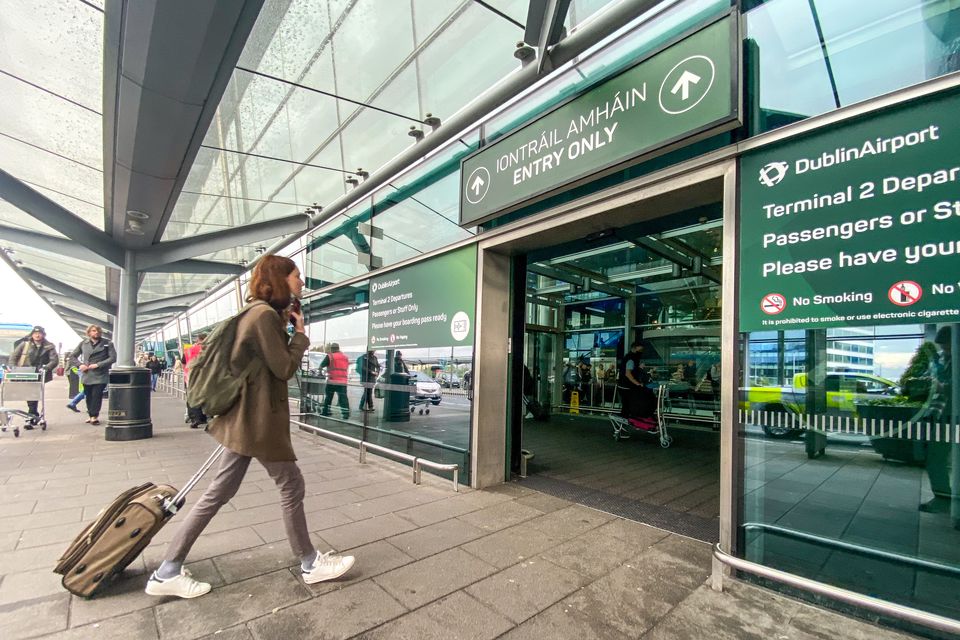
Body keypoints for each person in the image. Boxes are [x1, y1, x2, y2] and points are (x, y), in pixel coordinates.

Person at [145, 255, 355, 599]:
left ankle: (168, 570)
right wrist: (299, 334)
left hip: (244, 422)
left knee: (219, 492)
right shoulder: (262, 316)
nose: (301, 282)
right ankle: (310, 562)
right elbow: (283, 367)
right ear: (280, 278)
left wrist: (287, 326)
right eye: (296, 276)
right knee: (291, 485)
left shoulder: (258, 313)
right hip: (256, 422)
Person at [916, 326, 957, 526]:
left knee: (938, 458)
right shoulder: (940, 358)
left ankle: (947, 501)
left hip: (953, 415)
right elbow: (927, 378)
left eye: (947, 345)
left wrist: (944, 387)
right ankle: (942, 499)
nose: (945, 349)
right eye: (942, 346)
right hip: (940, 415)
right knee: (935, 458)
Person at [7, 325, 58, 427]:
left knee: (32, 395)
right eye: (35, 333)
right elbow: (14, 356)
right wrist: (12, 368)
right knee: (30, 395)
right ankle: (33, 415)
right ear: (32, 334)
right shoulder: (25, 344)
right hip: (26, 372)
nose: (37, 335)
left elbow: (54, 360)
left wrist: (46, 368)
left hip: (40, 373)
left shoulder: (49, 346)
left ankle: (31, 417)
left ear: (43, 335)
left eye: (39, 333)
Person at [69, 325, 116, 426]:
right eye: (94, 331)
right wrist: (80, 365)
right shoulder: (83, 343)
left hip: (100, 374)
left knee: (97, 395)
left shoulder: (107, 343)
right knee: (88, 396)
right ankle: (91, 415)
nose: (96, 333)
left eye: (98, 331)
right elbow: (72, 356)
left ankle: (94, 416)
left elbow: (113, 358)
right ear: (89, 333)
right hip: (87, 374)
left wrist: (98, 365)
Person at [618, 341, 654, 420]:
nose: (641, 352)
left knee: (626, 406)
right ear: (634, 348)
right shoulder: (631, 359)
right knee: (627, 405)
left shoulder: (630, 357)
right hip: (626, 386)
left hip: (624, 385)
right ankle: (623, 421)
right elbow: (628, 374)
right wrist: (637, 383)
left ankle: (624, 422)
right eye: (640, 350)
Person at [320, 343, 350, 419]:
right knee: (343, 398)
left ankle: (326, 412)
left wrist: (321, 372)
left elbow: (321, 366)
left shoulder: (330, 356)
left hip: (332, 381)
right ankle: (346, 414)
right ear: (338, 348)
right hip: (343, 382)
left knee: (329, 397)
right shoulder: (345, 357)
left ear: (332, 349)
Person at [184, 334, 208, 429]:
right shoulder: (208, 349)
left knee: (192, 397)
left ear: (198, 340)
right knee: (204, 396)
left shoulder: (190, 350)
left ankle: (195, 418)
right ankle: (204, 417)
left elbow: (184, 363)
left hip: (191, 376)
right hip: (205, 376)